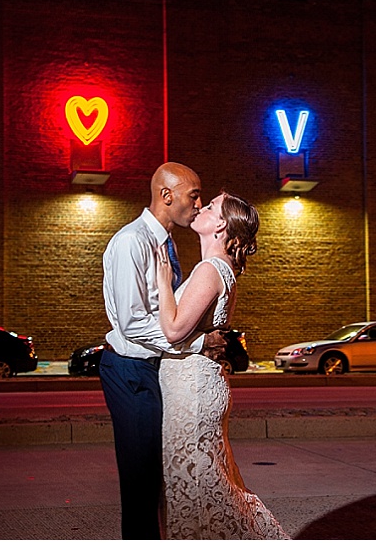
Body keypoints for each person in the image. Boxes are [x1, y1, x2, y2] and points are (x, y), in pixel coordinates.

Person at [99, 162, 226, 540]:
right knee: (141, 482)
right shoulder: (131, 242)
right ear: (166, 195)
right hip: (130, 370)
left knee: (159, 479)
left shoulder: (167, 242)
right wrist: (199, 342)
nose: (199, 203)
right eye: (194, 195)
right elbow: (131, 322)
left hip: (157, 370)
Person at [155, 192, 289, 540]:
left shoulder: (209, 270)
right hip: (197, 390)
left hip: (193, 396)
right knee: (206, 487)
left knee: (198, 491)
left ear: (221, 226)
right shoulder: (222, 270)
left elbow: (173, 330)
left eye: (211, 207)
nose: (201, 208)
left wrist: (162, 283)